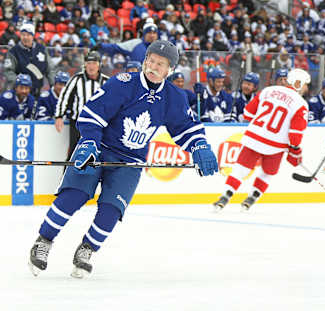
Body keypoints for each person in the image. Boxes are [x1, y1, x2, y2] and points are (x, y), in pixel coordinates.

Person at [28, 40, 219, 278]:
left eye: (160, 64)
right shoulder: (123, 83)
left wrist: (199, 145)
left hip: (130, 161)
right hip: (98, 148)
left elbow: (185, 128)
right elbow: (91, 114)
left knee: (111, 210)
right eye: (150, 60)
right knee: (73, 196)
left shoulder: (174, 97)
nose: (153, 66)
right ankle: (44, 241)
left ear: (169, 70)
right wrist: (88, 142)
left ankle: (87, 249)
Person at [213, 68, 311, 212]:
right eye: (305, 84)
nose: (306, 88)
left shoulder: (268, 91)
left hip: (253, 138)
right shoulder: (301, 104)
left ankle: (225, 196)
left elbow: (247, 113)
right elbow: (295, 136)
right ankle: (252, 198)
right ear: (298, 83)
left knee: (240, 170)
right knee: (268, 173)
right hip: (275, 146)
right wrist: (295, 150)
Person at [54, 51, 110, 160]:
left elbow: (114, 102)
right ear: (84, 64)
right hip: (78, 123)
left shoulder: (106, 82)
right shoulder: (76, 79)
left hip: (99, 124)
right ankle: (66, 176)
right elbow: (65, 97)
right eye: (88, 63)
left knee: (99, 152)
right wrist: (59, 116)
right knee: (74, 152)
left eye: (94, 63)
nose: (91, 66)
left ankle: (99, 177)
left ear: (99, 65)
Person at [4, 23, 54, 97]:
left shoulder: (42, 49)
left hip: (38, 91)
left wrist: (53, 85)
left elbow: (50, 70)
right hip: (20, 92)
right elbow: (8, 71)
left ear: (33, 36)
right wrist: (20, 83)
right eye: (23, 35)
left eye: (28, 35)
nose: (25, 37)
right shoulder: (13, 51)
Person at [93, 22, 158, 63]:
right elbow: (116, 47)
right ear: (144, 34)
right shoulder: (135, 43)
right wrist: (101, 45)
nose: (152, 35)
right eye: (149, 33)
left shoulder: (161, 47)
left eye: (154, 33)